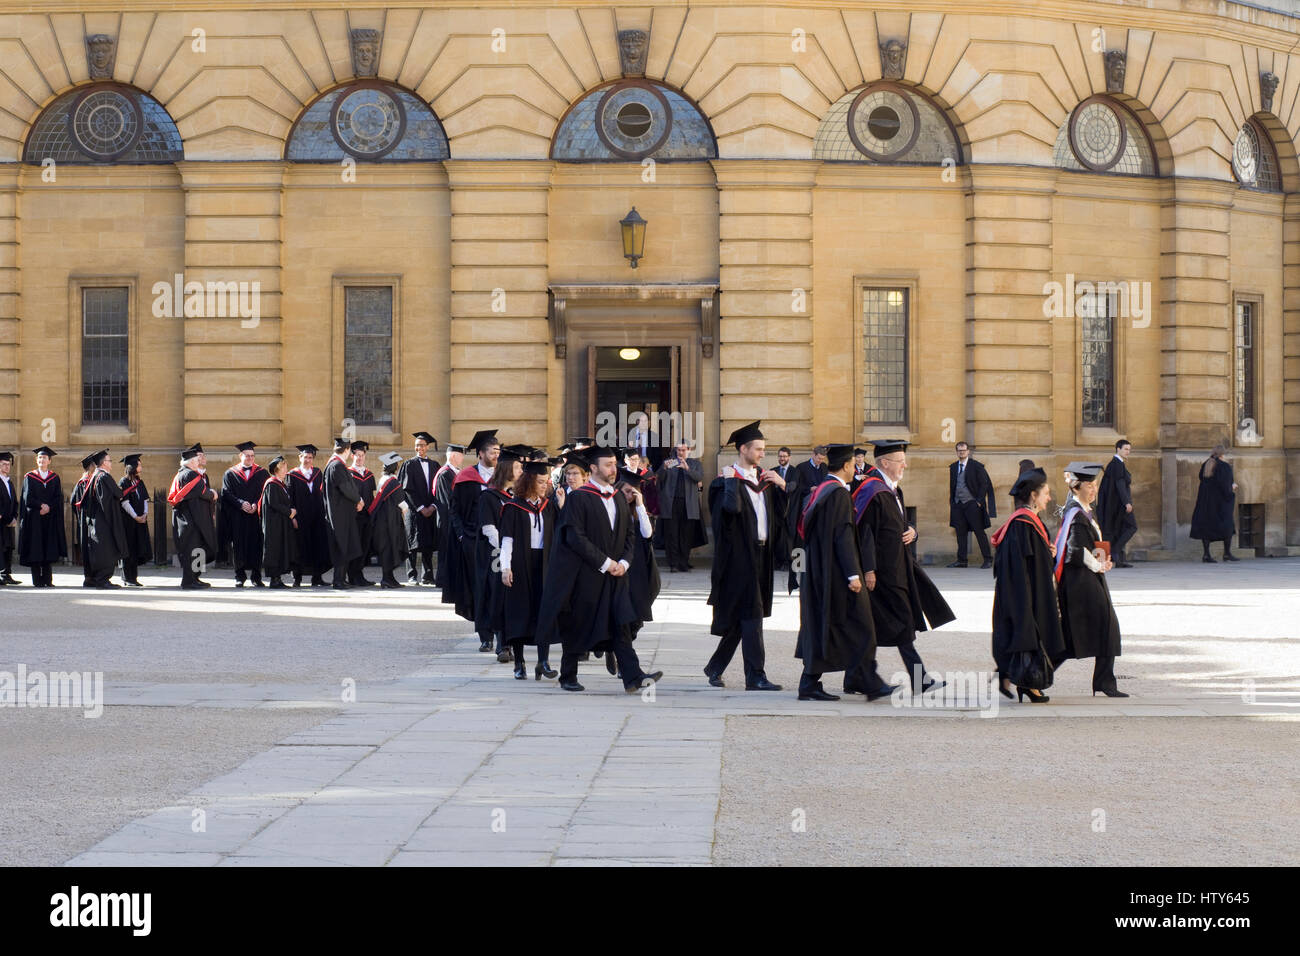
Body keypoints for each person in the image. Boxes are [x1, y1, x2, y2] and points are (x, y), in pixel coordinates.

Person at [537, 447, 663, 693]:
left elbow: (629, 535)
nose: (613, 469)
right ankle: (568, 675)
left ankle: (632, 676)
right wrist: (605, 563)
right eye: (607, 465)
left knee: (621, 625)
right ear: (593, 469)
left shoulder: (616, 497)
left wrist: (624, 563)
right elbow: (575, 537)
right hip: (587, 574)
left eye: (614, 464)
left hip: (616, 575)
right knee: (579, 622)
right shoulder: (579, 498)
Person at [851, 439, 955, 695]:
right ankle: (919, 679)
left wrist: (913, 531)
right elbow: (865, 534)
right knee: (901, 624)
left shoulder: (894, 491)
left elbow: (901, 525)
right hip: (883, 573)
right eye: (900, 461)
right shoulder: (872, 491)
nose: (905, 465)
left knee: (875, 625)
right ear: (885, 463)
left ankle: (855, 678)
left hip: (898, 568)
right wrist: (869, 570)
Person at [794, 443, 893, 702]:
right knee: (861, 624)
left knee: (824, 625)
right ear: (847, 465)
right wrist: (853, 574)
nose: (856, 469)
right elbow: (843, 535)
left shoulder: (821, 491)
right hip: (836, 573)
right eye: (853, 465)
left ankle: (811, 683)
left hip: (817, 569)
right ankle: (867, 681)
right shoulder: (837, 493)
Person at [704, 421, 783, 691]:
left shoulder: (766, 481)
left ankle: (715, 666)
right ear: (743, 449)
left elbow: (785, 515)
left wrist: (783, 485)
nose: (763, 454)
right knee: (753, 615)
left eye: (763, 449)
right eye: (758, 449)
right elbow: (729, 512)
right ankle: (755, 676)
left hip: (763, 556)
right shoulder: (722, 483)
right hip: (739, 559)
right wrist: (730, 482)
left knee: (744, 616)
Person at [990, 467, 1065, 703]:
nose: (1049, 498)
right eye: (1046, 493)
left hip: (1030, 590)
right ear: (1033, 495)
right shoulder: (1022, 524)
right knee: (1029, 632)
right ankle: (1027, 682)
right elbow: (1019, 565)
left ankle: (1017, 678)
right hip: (1024, 593)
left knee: (1032, 633)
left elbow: (1034, 557)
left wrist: (1048, 552)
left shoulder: (1029, 521)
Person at [1053, 462, 1127, 697]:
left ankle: (1035, 675)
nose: (1094, 489)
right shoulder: (1076, 515)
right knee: (1103, 627)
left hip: (1088, 578)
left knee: (1075, 635)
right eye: (1089, 485)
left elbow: (1088, 545)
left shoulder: (1084, 511)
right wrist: (1098, 564)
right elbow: (1075, 550)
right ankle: (1034, 675)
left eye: (1095, 485)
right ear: (1076, 486)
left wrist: (1102, 560)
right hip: (1080, 582)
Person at [500, 460, 558, 680]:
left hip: (544, 564)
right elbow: (507, 540)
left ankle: (543, 661)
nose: (545, 486)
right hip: (520, 564)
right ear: (530, 481)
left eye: (546, 482)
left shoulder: (549, 506)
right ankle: (520, 662)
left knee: (544, 612)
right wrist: (506, 567)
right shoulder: (513, 507)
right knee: (520, 612)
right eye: (541, 481)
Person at [449, 429, 500, 649]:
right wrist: (462, 535)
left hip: (500, 541)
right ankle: (485, 637)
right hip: (474, 541)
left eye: (498, 451)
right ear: (480, 454)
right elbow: (454, 510)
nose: (496, 455)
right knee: (480, 588)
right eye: (492, 451)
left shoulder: (504, 478)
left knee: (498, 587)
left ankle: (502, 638)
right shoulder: (466, 477)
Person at [478, 446, 523, 661]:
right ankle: (502, 644)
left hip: (515, 554)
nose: (521, 470)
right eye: (517, 466)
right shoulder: (489, 496)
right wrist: (508, 550)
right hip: (497, 555)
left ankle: (514, 641)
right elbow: (489, 529)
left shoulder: (516, 496)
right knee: (500, 597)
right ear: (506, 469)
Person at [168, 443, 218, 589]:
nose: (199, 462)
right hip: (191, 520)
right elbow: (202, 492)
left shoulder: (183, 473)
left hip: (193, 519)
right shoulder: (189, 474)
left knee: (198, 550)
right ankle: (189, 581)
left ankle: (196, 578)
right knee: (192, 550)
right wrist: (213, 494)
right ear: (190, 462)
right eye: (196, 460)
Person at [221, 441, 267, 588]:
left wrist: (255, 504)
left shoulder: (262, 473)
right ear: (240, 456)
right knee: (238, 546)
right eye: (247, 455)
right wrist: (240, 503)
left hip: (255, 516)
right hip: (238, 517)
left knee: (257, 546)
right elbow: (226, 493)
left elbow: (265, 492)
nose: (250, 458)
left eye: (252, 456)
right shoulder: (230, 474)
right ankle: (239, 576)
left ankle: (256, 576)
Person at [78, 449, 126, 589]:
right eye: (109, 461)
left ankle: (97, 578)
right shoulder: (103, 477)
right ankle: (102, 579)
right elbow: (114, 496)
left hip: (98, 522)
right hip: (104, 522)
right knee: (106, 551)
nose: (111, 463)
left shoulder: (95, 476)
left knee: (101, 551)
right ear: (104, 463)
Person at [18, 447, 65, 587]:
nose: (42, 460)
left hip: (49, 518)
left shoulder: (54, 478)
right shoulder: (30, 477)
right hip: (35, 518)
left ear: (49, 461)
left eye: (44, 458)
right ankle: (37, 581)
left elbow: (58, 497)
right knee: (36, 548)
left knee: (48, 547)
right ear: (36, 460)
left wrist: (49, 507)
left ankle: (48, 580)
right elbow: (27, 498)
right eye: (39, 458)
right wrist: (41, 506)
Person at [656, 441, 704, 572]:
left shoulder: (695, 464)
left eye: (683, 450)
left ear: (688, 450)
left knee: (686, 535)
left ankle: (683, 562)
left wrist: (687, 468)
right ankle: (673, 563)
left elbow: (699, 477)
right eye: (678, 450)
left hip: (689, 504)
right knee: (671, 534)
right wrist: (664, 468)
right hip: (671, 503)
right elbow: (659, 478)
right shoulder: (670, 462)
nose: (680, 452)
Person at [323, 437, 364, 590]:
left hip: (339, 512)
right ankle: (338, 580)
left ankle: (341, 578)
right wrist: (358, 499)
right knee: (341, 545)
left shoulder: (333, 464)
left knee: (343, 544)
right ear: (347, 450)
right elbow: (346, 488)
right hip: (339, 514)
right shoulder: (336, 466)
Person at [401, 431, 440, 584]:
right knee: (412, 544)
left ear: (427, 447)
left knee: (428, 545)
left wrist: (433, 506)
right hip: (414, 511)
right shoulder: (408, 464)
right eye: (417, 445)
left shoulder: (434, 465)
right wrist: (421, 507)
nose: (419, 448)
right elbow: (406, 489)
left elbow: (438, 488)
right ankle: (411, 575)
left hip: (430, 510)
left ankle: (428, 575)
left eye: (422, 445)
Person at [948, 442, 995, 569]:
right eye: (959, 451)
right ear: (956, 452)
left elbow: (984, 484)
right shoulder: (953, 467)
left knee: (979, 532)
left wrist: (979, 501)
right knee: (960, 533)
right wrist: (952, 502)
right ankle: (962, 561)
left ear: (968, 451)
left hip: (972, 504)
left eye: (963, 450)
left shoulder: (976, 466)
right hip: (958, 504)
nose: (961, 453)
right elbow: (953, 486)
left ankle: (988, 559)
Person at [287, 444, 328, 587]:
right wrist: (293, 518)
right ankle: (297, 578)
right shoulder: (292, 475)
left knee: (317, 546)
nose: (308, 460)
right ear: (300, 457)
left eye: (310, 457)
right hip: (301, 518)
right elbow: (289, 498)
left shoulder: (318, 473)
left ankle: (317, 577)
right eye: (305, 457)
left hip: (316, 517)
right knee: (299, 547)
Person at [368, 452, 410, 588]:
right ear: (394, 467)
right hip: (389, 520)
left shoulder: (383, 479)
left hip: (384, 519)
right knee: (389, 548)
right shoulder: (392, 482)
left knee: (388, 548)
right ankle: (386, 579)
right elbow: (400, 501)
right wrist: (406, 509)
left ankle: (389, 578)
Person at [1190, 444, 1239, 562]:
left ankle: (1206, 554)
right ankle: (1227, 553)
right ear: (1223, 454)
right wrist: (1232, 489)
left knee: (1206, 527)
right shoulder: (1225, 467)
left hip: (1205, 502)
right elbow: (1225, 486)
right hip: (1220, 503)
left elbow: (1203, 480)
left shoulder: (1206, 464)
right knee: (1227, 526)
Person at [258, 455, 297, 589]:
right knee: (274, 550)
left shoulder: (280, 484)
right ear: (277, 469)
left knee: (280, 549)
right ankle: (274, 579)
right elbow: (274, 503)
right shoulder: (272, 484)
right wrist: (289, 512)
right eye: (284, 466)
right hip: (273, 525)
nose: (286, 469)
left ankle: (278, 578)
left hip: (280, 523)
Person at [1096, 439, 1136, 567]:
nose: (1128, 452)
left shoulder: (1117, 463)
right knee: (1132, 526)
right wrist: (1127, 503)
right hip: (1119, 505)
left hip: (1116, 505)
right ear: (1118, 449)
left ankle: (1119, 559)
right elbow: (1120, 484)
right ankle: (1115, 551)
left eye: (1129, 450)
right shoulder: (1117, 464)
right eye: (1125, 449)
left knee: (1120, 529)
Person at [433, 442, 465, 589]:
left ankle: (450, 578)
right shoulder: (445, 474)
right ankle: (442, 580)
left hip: (452, 517)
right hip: (447, 517)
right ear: (453, 456)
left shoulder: (454, 472)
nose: (463, 458)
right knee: (445, 548)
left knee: (451, 549)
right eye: (461, 455)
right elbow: (448, 499)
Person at [118, 454, 152, 586]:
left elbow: (144, 499)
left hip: (140, 521)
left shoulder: (139, 482)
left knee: (137, 548)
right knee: (128, 549)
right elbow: (124, 502)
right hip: (128, 522)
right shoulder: (123, 482)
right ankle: (127, 578)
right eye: (139, 464)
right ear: (132, 467)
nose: (141, 466)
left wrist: (144, 514)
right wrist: (135, 517)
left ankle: (134, 578)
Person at [349, 441, 376, 587]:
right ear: (352, 456)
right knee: (355, 546)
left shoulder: (369, 474)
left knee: (364, 546)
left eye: (362, 455)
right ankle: (353, 575)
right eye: (357, 455)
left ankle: (359, 574)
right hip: (354, 517)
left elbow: (371, 496)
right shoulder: (348, 473)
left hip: (367, 516)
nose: (359, 458)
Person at [70, 455, 95, 585]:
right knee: (91, 549)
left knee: (87, 549)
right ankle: (90, 578)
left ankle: (89, 577)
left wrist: (79, 516)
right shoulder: (85, 482)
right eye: (94, 465)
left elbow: (72, 501)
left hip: (83, 522)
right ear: (91, 467)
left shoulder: (80, 482)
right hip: (90, 523)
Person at [769, 446, 794, 569]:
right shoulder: (772, 471)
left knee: (788, 537)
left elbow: (793, 487)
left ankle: (787, 562)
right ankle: (777, 562)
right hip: (775, 508)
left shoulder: (795, 472)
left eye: (784, 456)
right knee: (777, 536)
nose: (782, 458)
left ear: (789, 457)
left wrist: (782, 484)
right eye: (780, 456)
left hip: (790, 508)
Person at [0, 451, 20, 585]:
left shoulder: (9, 483)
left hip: (9, 522)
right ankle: (1, 574)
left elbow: (15, 502)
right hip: (0, 521)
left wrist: (14, 517)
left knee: (8, 548)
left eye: (8, 464)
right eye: (3, 464)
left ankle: (7, 574)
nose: (6, 467)